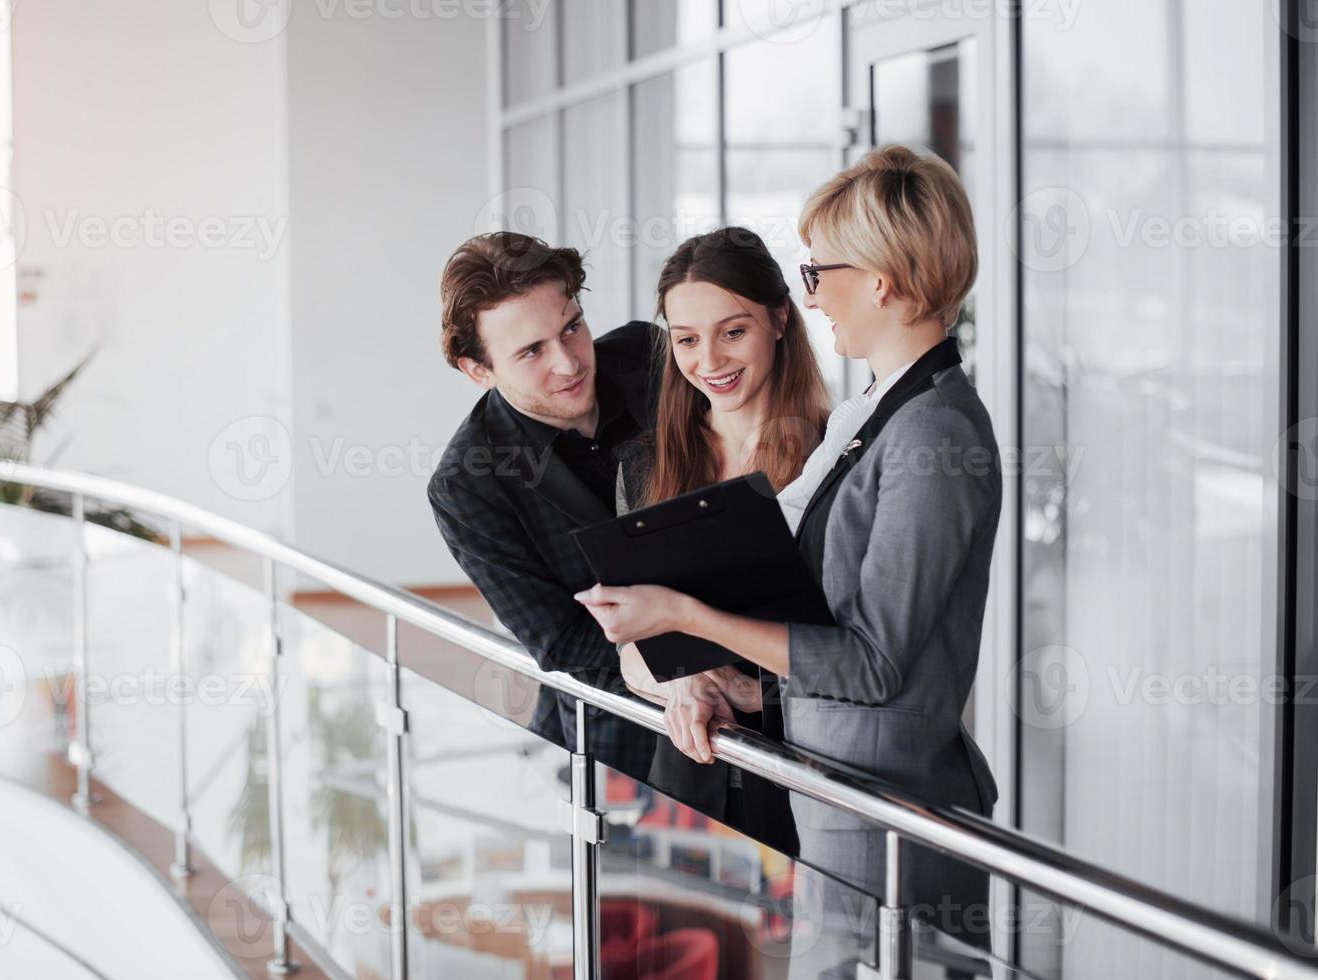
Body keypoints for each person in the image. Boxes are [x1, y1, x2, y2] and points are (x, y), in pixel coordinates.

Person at [576, 145, 1001, 961]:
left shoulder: (935, 435)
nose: (813, 295)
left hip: (884, 806)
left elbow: (873, 663)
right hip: (838, 794)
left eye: (821, 272)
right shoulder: (877, 412)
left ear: (879, 279)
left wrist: (686, 614)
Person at [612, 226, 829, 857]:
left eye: (733, 332)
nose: (709, 361)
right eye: (686, 340)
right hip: (685, 781)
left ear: (780, 318)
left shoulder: (831, 457)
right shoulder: (644, 467)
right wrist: (681, 683)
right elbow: (626, 645)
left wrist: (750, 691)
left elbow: (855, 645)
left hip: (801, 778)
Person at [427, 231, 657, 780]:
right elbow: (563, 642)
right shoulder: (465, 484)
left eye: (572, 326)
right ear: (477, 371)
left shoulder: (654, 356)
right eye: (532, 351)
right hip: (617, 742)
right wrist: (682, 673)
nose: (569, 362)